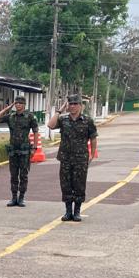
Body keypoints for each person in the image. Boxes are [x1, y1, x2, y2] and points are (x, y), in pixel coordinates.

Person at [47, 94, 97, 222]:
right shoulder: (63, 120)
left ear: (80, 106)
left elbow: (93, 138)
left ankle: (77, 211)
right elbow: (51, 125)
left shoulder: (87, 121)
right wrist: (59, 110)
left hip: (81, 158)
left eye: (75, 104)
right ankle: (68, 211)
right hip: (66, 158)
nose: (73, 106)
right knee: (66, 185)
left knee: (79, 185)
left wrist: (92, 154)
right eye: (71, 104)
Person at [0, 95, 38, 207]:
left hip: (24, 151)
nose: (18, 105)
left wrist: (34, 148)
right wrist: (7, 109)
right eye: (16, 103)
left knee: (23, 175)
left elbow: (36, 132)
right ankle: (13, 197)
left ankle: (21, 198)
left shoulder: (30, 117)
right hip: (13, 150)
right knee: (13, 175)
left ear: (24, 105)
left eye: (20, 103)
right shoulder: (10, 116)